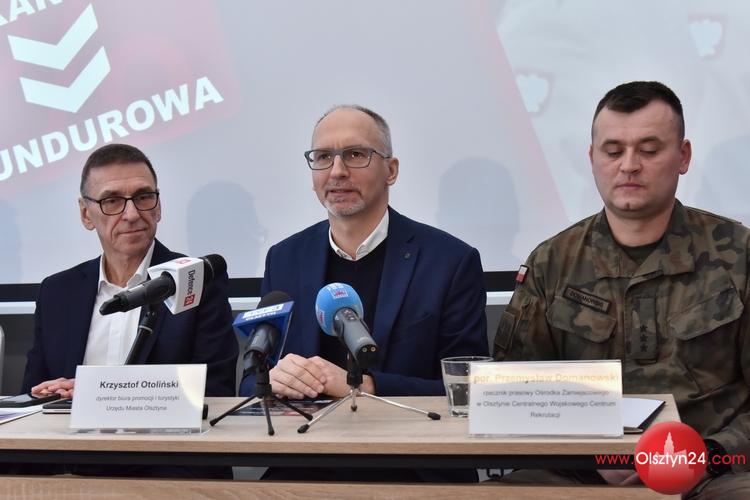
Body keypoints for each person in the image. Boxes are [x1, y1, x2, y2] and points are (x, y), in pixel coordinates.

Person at [493, 81, 750, 498]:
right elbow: (514, 396)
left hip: (713, 472)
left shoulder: (739, 256)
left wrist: (708, 456)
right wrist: (587, 456)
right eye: (613, 151)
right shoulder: (551, 262)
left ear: (683, 156)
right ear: (592, 158)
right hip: (580, 473)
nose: (629, 165)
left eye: (649, 150)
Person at [243, 105, 488, 481]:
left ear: (391, 170)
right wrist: (272, 380)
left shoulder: (450, 261)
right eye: (323, 157)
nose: (337, 171)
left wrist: (365, 387)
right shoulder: (285, 258)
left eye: (355, 154)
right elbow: (248, 381)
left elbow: (469, 389)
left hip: (413, 466)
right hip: (305, 465)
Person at [20, 143, 238, 477]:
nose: (132, 213)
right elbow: (32, 398)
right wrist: (53, 394)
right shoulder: (57, 291)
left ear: (158, 206)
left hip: (168, 467)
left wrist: (93, 394)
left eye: (143, 196)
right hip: (71, 467)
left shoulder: (197, 281)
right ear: (86, 214)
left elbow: (214, 395)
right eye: (112, 201)